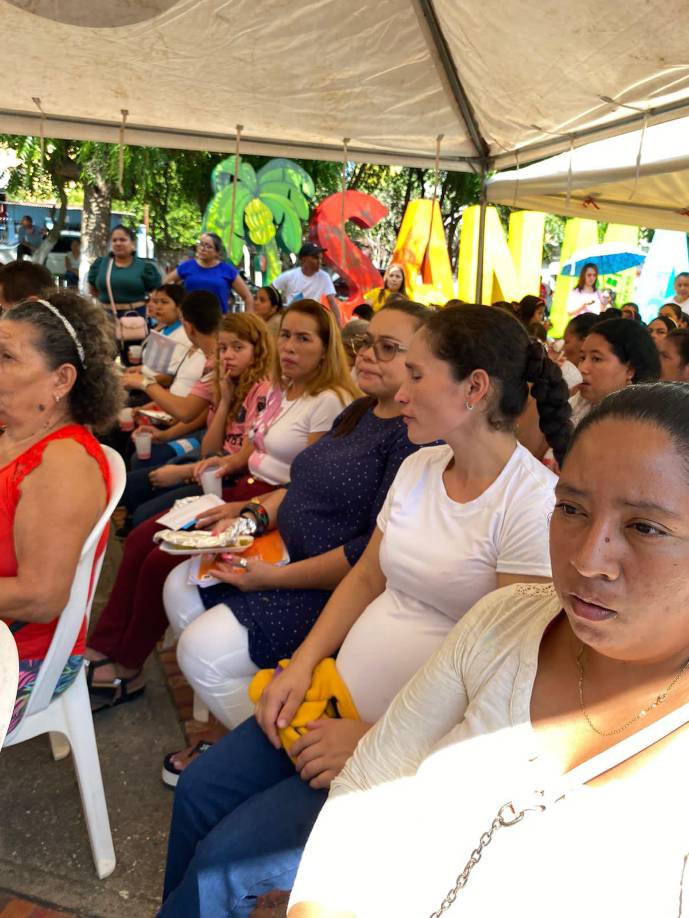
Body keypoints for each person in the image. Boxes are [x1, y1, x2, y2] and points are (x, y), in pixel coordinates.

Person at [160, 304, 573, 916]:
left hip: (397, 750)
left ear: (475, 388)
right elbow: (368, 576)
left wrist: (380, 740)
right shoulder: (420, 466)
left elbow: (503, 678)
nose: (399, 391)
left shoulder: (528, 505)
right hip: (332, 700)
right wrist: (300, 666)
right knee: (198, 789)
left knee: (226, 863)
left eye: (416, 374)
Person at [288, 383, 689, 918]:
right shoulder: (506, 619)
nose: (589, 560)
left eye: (645, 527)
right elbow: (367, 787)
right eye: (571, 508)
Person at [160, 302, 431, 771]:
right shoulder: (362, 410)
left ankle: (277, 759)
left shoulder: (412, 438)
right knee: (180, 587)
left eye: (387, 349)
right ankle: (236, 722)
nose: (366, 354)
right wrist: (248, 519)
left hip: (326, 589)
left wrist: (271, 579)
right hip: (286, 554)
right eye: (367, 343)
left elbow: (369, 557)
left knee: (200, 651)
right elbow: (299, 483)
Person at [85, 300, 357, 703]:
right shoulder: (286, 389)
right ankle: (104, 644)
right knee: (144, 536)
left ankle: (127, 664)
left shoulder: (329, 400)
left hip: (270, 505)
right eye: (285, 335)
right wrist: (218, 463)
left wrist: (245, 506)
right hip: (241, 488)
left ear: (325, 347)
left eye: (304, 338)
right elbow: (251, 448)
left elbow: (310, 481)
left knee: (163, 555)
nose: (291, 347)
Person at [0, 292, 121, 734]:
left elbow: (42, 596)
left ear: (60, 380)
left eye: (6, 356)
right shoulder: (15, 433)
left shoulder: (62, 463)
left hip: (20, 657)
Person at [122, 312, 275, 525]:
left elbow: (241, 459)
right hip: (213, 467)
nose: (227, 356)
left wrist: (184, 470)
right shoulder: (224, 379)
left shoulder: (263, 390)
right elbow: (209, 450)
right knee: (134, 485)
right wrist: (224, 403)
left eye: (238, 348)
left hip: (231, 477)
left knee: (143, 507)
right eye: (222, 349)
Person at [87, 225, 161, 358]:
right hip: (106, 318)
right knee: (105, 359)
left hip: (134, 318)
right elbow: (93, 289)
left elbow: (156, 292)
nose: (118, 243)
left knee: (133, 358)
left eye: (123, 240)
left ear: (133, 243)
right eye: (114, 240)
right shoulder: (101, 264)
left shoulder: (144, 267)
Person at [570, 317, 660, 426]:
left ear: (630, 370)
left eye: (596, 359)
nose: (582, 368)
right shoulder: (579, 403)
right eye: (582, 358)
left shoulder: (639, 423)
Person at [165, 233, 253, 315]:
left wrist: (248, 322)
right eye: (201, 244)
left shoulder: (227, 270)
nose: (203, 249)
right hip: (189, 320)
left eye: (209, 246)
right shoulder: (187, 266)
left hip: (218, 322)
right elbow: (165, 285)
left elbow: (248, 297)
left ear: (217, 252)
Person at [272, 244, 341, 326]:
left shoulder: (324, 277)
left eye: (320, 258)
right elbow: (270, 290)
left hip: (312, 320)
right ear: (304, 260)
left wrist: (338, 323)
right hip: (291, 319)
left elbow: (332, 302)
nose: (319, 261)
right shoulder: (289, 276)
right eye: (316, 258)